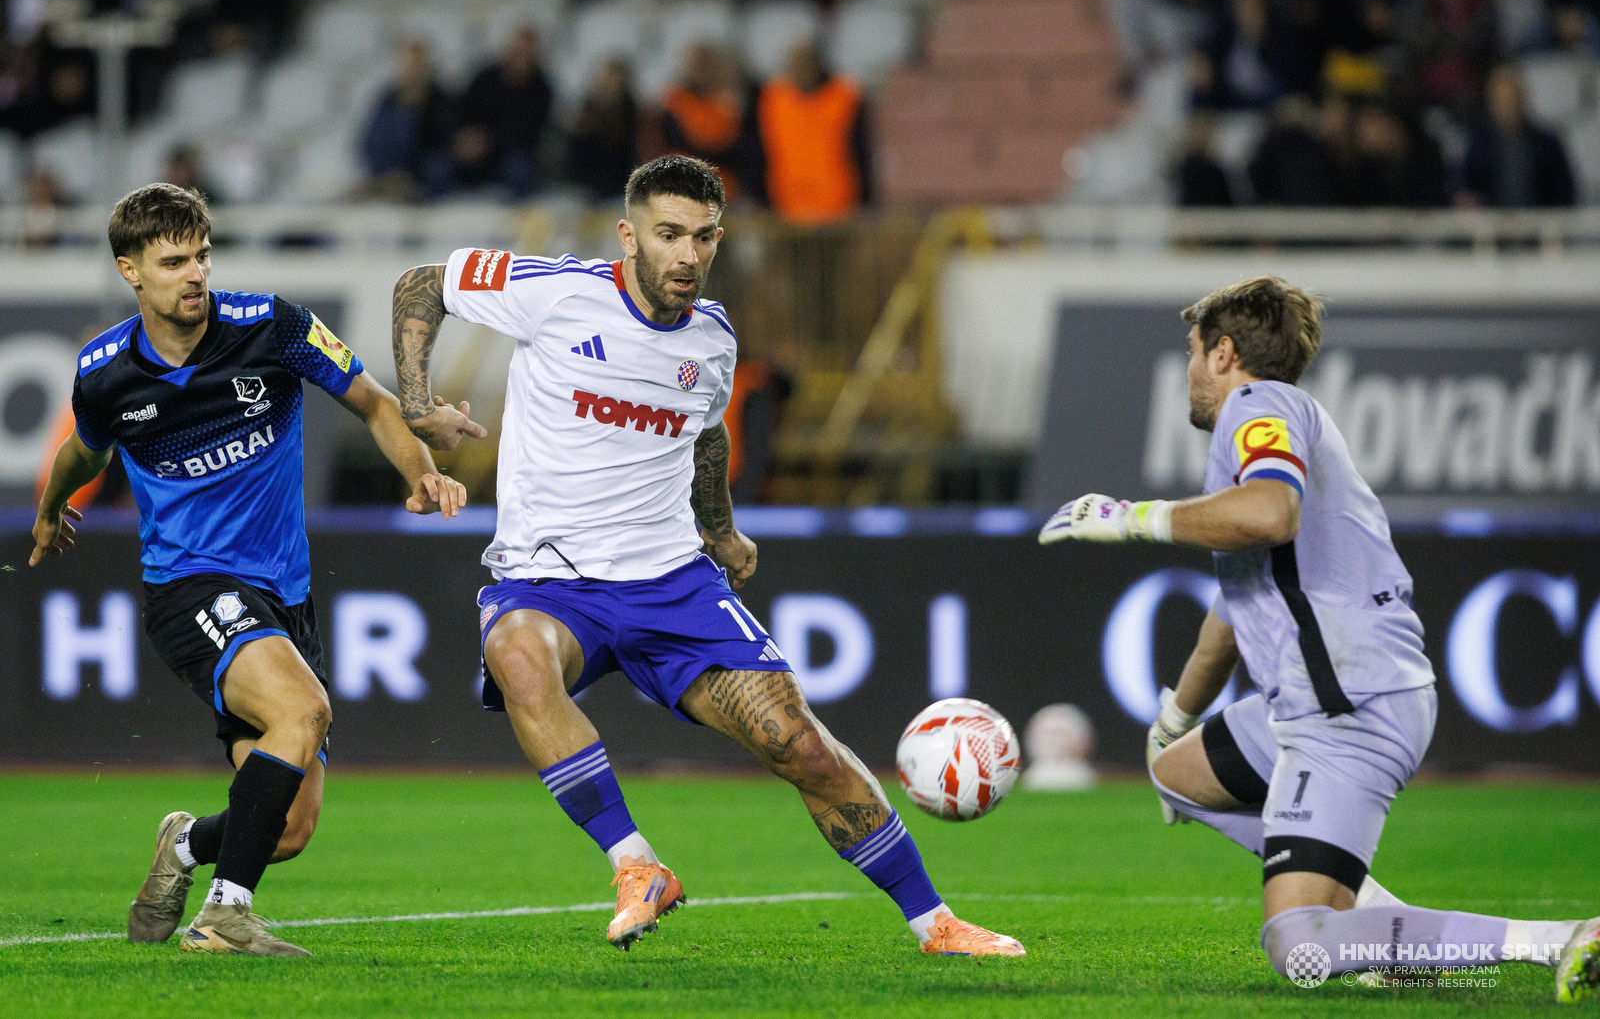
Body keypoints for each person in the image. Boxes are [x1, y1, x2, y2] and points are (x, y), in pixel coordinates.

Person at [389, 154, 1024, 958]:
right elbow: (421, 283)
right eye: (668, 234)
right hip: (551, 583)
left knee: (802, 746)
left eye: (704, 236)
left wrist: (721, 531)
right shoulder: (555, 292)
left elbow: (706, 433)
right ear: (629, 237)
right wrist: (417, 403)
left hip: (671, 585)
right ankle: (636, 866)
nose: (687, 254)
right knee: (517, 654)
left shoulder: (713, 338)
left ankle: (935, 924)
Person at [1038, 276, 1600, 999]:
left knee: (1298, 944)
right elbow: (1230, 617)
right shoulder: (1268, 427)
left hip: (1348, 706)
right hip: (1327, 697)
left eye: (1193, 352)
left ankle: (1556, 939)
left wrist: (1131, 517)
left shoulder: (1258, 405)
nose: (1189, 371)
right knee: (1179, 775)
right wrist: (1173, 720)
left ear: (1224, 353)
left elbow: (1271, 513)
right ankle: (1380, 929)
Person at [30, 183, 480, 957]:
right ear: (129, 270)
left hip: (284, 596)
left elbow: (374, 403)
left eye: (202, 256)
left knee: (289, 827)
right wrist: (49, 509)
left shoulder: (272, 327)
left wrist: (421, 472)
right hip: (188, 587)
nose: (195, 274)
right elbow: (84, 451)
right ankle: (224, 916)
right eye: (173, 262)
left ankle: (182, 845)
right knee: (303, 709)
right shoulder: (105, 372)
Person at [757, 42, 870, 225]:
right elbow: (759, 153)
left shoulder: (844, 97)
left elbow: (860, 151)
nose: (802, 69)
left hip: (839, 209)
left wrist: (864, 200)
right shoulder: (773, 99)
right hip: (785, 207)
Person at [453, 27, 553, 200]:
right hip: (471, 150)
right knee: (438, 167)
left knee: (519, 168)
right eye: (518, 53)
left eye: (528, 55)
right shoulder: (484, 78)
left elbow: (528, 133)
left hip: (508, 155)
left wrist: (487, 141)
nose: (522, 59)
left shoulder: (542, 90)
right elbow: (462, 111)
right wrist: (464, 138)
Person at [656, 43, 762, 205]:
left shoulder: (730, 102)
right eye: (697, 64)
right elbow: (677, 144)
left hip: (727, 191)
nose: (702, 70)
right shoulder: (675, 100)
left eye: (706, 64)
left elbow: (740, 148)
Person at [1458, 65, 1577, 208]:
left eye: (1512, 99)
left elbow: (1565, 191)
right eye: (1501, 100)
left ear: (1523, 99)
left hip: (1540, 218)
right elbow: (1466, 185)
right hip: (1491, 219)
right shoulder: (1479, 144)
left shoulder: (1547, 143)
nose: (1507, 106)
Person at [361, 40, 455, 202]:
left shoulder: (441, 99)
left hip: (424, 174)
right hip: (389, 172)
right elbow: (369, 142)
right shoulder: (388, 99)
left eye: (417, 65)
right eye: (408, 65)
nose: (413, 71)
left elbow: (446, 143)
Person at [564, 58, 639, 202]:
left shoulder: (630, 113)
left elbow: (628, 153)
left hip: (619, 183)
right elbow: (576, 153)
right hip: (587, 184)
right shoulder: (587, 111)